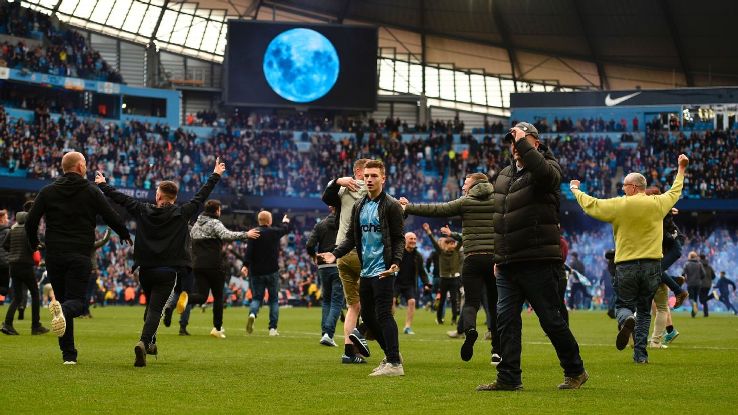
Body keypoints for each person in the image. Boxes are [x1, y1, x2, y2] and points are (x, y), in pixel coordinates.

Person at [482, 123, 587, 391]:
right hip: (508, 262)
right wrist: (498, 256)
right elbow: (501, 219)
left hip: (538, 259)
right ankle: (509, 378)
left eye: (521, 139)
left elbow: (546, 176)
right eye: (512, 140)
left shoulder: (548, 167)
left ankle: (575, 370)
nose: (515, 144)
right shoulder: (505, 174)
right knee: (505, 320)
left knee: (551, 320)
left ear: (535, 144)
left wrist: (525, 145)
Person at [95, 157, 225, 367]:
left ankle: (151, 342)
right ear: (174, 197)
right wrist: (216, 174)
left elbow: (120, 198)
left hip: (145, 270)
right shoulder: (183, 213)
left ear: (159, 195)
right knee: (156, 308)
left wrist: (103, 185)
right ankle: (144, 342)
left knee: (151, 306)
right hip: (168, 270)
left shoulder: (142, 209)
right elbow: (202, 195)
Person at [571, 152, 688, 364]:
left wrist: (575, 189)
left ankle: (627, 319)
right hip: (652, 266)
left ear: (633, 187)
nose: (623, 189)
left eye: (625, 186)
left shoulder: (620, 204)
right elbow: (676, 190)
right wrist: (681, 169)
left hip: (626, 266)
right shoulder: (658, 203)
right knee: (645, 311)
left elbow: (592, 205)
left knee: (622, 306)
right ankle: (641, 355)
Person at [25, 151, 132, 365]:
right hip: (80, 253)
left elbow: (31, 221)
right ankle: (63, 312)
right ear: (80, 167)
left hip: (54, 255)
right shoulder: (91, 191)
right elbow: (111, 215)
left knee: (65, 301)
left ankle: (69, 355)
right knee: (79, 303)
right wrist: (124, 233)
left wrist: (34, 242)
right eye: (85, 164)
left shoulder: (47, 191)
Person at [319, 159, 406, 377]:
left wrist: (396, 262)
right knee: (368, 316)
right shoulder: (360, 206)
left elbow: (398, 238)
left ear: (383, 179)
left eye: (374, 176)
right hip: (366, 270)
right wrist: (335, 253)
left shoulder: (392, 206)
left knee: (384, 314)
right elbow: (351, 239)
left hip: (384, 270)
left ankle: (395, 363)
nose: (369, 179)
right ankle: (391, 357)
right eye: (366, 176)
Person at [400, 172, 498, 364]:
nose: (463, 187)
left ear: (475, 184)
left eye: (466, 183)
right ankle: (497, 351)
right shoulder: (499, 200)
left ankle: (470, 330)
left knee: (470, 302)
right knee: (494, 305)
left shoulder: (466, 202)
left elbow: (438, 209)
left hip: (472, 258)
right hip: (494, 259)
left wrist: (408, 207)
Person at [321, 158, 372, 363]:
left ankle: (349, 353)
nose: (370, 177)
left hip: (341, 253)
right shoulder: (365, 188)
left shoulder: (342, 190)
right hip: (361, 252)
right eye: (367, 173)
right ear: (360, 172)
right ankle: (362, 335)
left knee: (353, 306)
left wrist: (336, 181)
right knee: (380, 302)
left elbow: (326, 196)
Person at [189, 199, 258, 338]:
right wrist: (246, 234)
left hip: (197, 265)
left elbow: (191, 237)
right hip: (214, 265)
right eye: (219, 209)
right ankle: (217, 328)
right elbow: (227, 235)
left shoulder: (196, 224)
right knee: (218, 297)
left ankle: (184, 299)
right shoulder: (214, 223)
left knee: (202, 296)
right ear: (216, 210)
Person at [1, 208, 49, 335]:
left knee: (17, 297)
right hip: (25, 265)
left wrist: (14, 252)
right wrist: (39, 246)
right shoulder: (29, 230)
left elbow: (5, 245)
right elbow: (34, 246)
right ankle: (35, 326)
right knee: (35, 294)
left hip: (13, 266)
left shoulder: (12, 229)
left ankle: (8, 324)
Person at [244, 210, 291, 336]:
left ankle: (253, 314)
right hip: (272, 271)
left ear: (259, 220)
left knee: (257, 298)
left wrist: (245, 265)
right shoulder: (274, 232)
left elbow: (249, 251)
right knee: (274, 300)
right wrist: (285, 222)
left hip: (256, 272)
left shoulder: (254, 233)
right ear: (269, 221)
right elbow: (285, 229)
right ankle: (272, 329)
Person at [306, 207, 343, 347]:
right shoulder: (345, 223)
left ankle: (325, 334)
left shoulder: (320, 224)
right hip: (338, 263)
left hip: (323, 266)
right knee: (337, 301)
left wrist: (314, 256)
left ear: (330, 208)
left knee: (326, 300)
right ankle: (329, 333)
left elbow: (309, 245)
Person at [422, 223, 462, 326]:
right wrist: (429, 232)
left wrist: (451, 234)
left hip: (454, 279)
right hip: (443, 279)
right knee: (442, 300)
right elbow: (434, 243)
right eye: (451, 244)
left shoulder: (456, 251)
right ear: (446, 244)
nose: (453, 245)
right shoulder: (441, 252)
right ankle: (439, 319)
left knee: (454, 300)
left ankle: (454, 319)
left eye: (453, 243)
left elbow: (461, 240)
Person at [393, 231, 430, 335]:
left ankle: (407, 327)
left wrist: (426, 283)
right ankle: (391, 323)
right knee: (392, 301)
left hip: (409, 284)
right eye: (411, 239)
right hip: (396, 282)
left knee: (412, 302)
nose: (413, 241)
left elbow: (422, 271)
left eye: (414, 239)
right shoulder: (398, 253)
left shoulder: (418, 256)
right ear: (405, 240)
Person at [81, 229, 110, 318]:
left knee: (85, 293)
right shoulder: (91, 245)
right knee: (88, 293)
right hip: (91, 272)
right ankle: (84, 312)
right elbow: (104, 241)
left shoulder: (80, 246)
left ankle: (85, 311)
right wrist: (109, 230)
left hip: (83, 271)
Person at [683, 251, 706, 318]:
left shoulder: (687, 264)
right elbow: (703, 274)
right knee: (696, 298)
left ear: (689, 256)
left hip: (690, 283)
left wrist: (686, 280)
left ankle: (693, 306)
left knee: (691, 298)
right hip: (698, 284)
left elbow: (683, 274)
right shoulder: (699, 264)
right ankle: (693, 314)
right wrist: (700, 279)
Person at [0, 210, 9, 300]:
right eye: (6, 218)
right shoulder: (7, 231)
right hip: (4, 263)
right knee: (4, 289)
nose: (8, 220)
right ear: (1, 219)